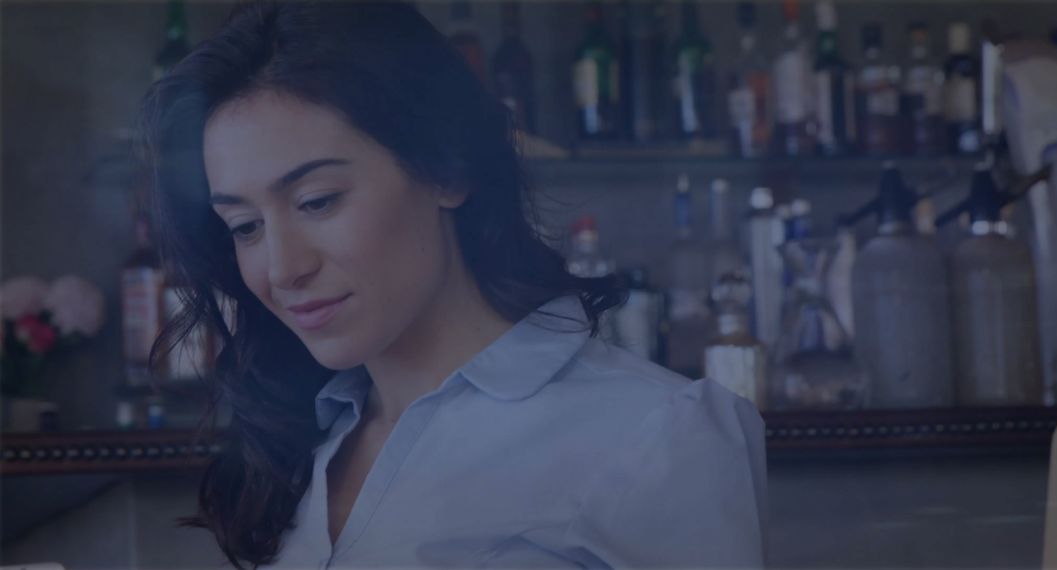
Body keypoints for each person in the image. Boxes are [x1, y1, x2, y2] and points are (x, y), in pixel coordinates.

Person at [136, 1, 767, 568]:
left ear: (446, 168)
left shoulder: (654, 433)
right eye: (244, 227)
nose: (280, 268)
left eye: (318, 201)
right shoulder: (303, 440)